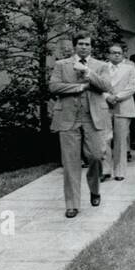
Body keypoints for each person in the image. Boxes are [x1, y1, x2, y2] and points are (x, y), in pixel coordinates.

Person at [48, 32, 113, 217]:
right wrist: (79, 87)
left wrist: (88, 73)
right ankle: (72, 204)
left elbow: (106, 86)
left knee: (96, 156)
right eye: (81, 44)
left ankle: (95, 189)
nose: (84, 47)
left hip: (93, 118)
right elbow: (54, 87)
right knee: (70, 162)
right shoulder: (62, 64)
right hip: (68, 117)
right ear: (75, 46)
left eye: (87, 44)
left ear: (91, 47)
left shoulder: (101, 66)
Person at [101, 42, 135, 181]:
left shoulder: (129, 68)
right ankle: (105, 170)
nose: (116, 55)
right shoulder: (102, 67)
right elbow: (98, 85)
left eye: (119, 53)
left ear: (123, 55)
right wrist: (107, 97)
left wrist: (116, 97)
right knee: (104, 139)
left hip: (123, 105)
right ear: (108, 54)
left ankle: (120, 172)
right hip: (105, 106)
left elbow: (132, 87)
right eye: (113, 52)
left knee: (121, 141)